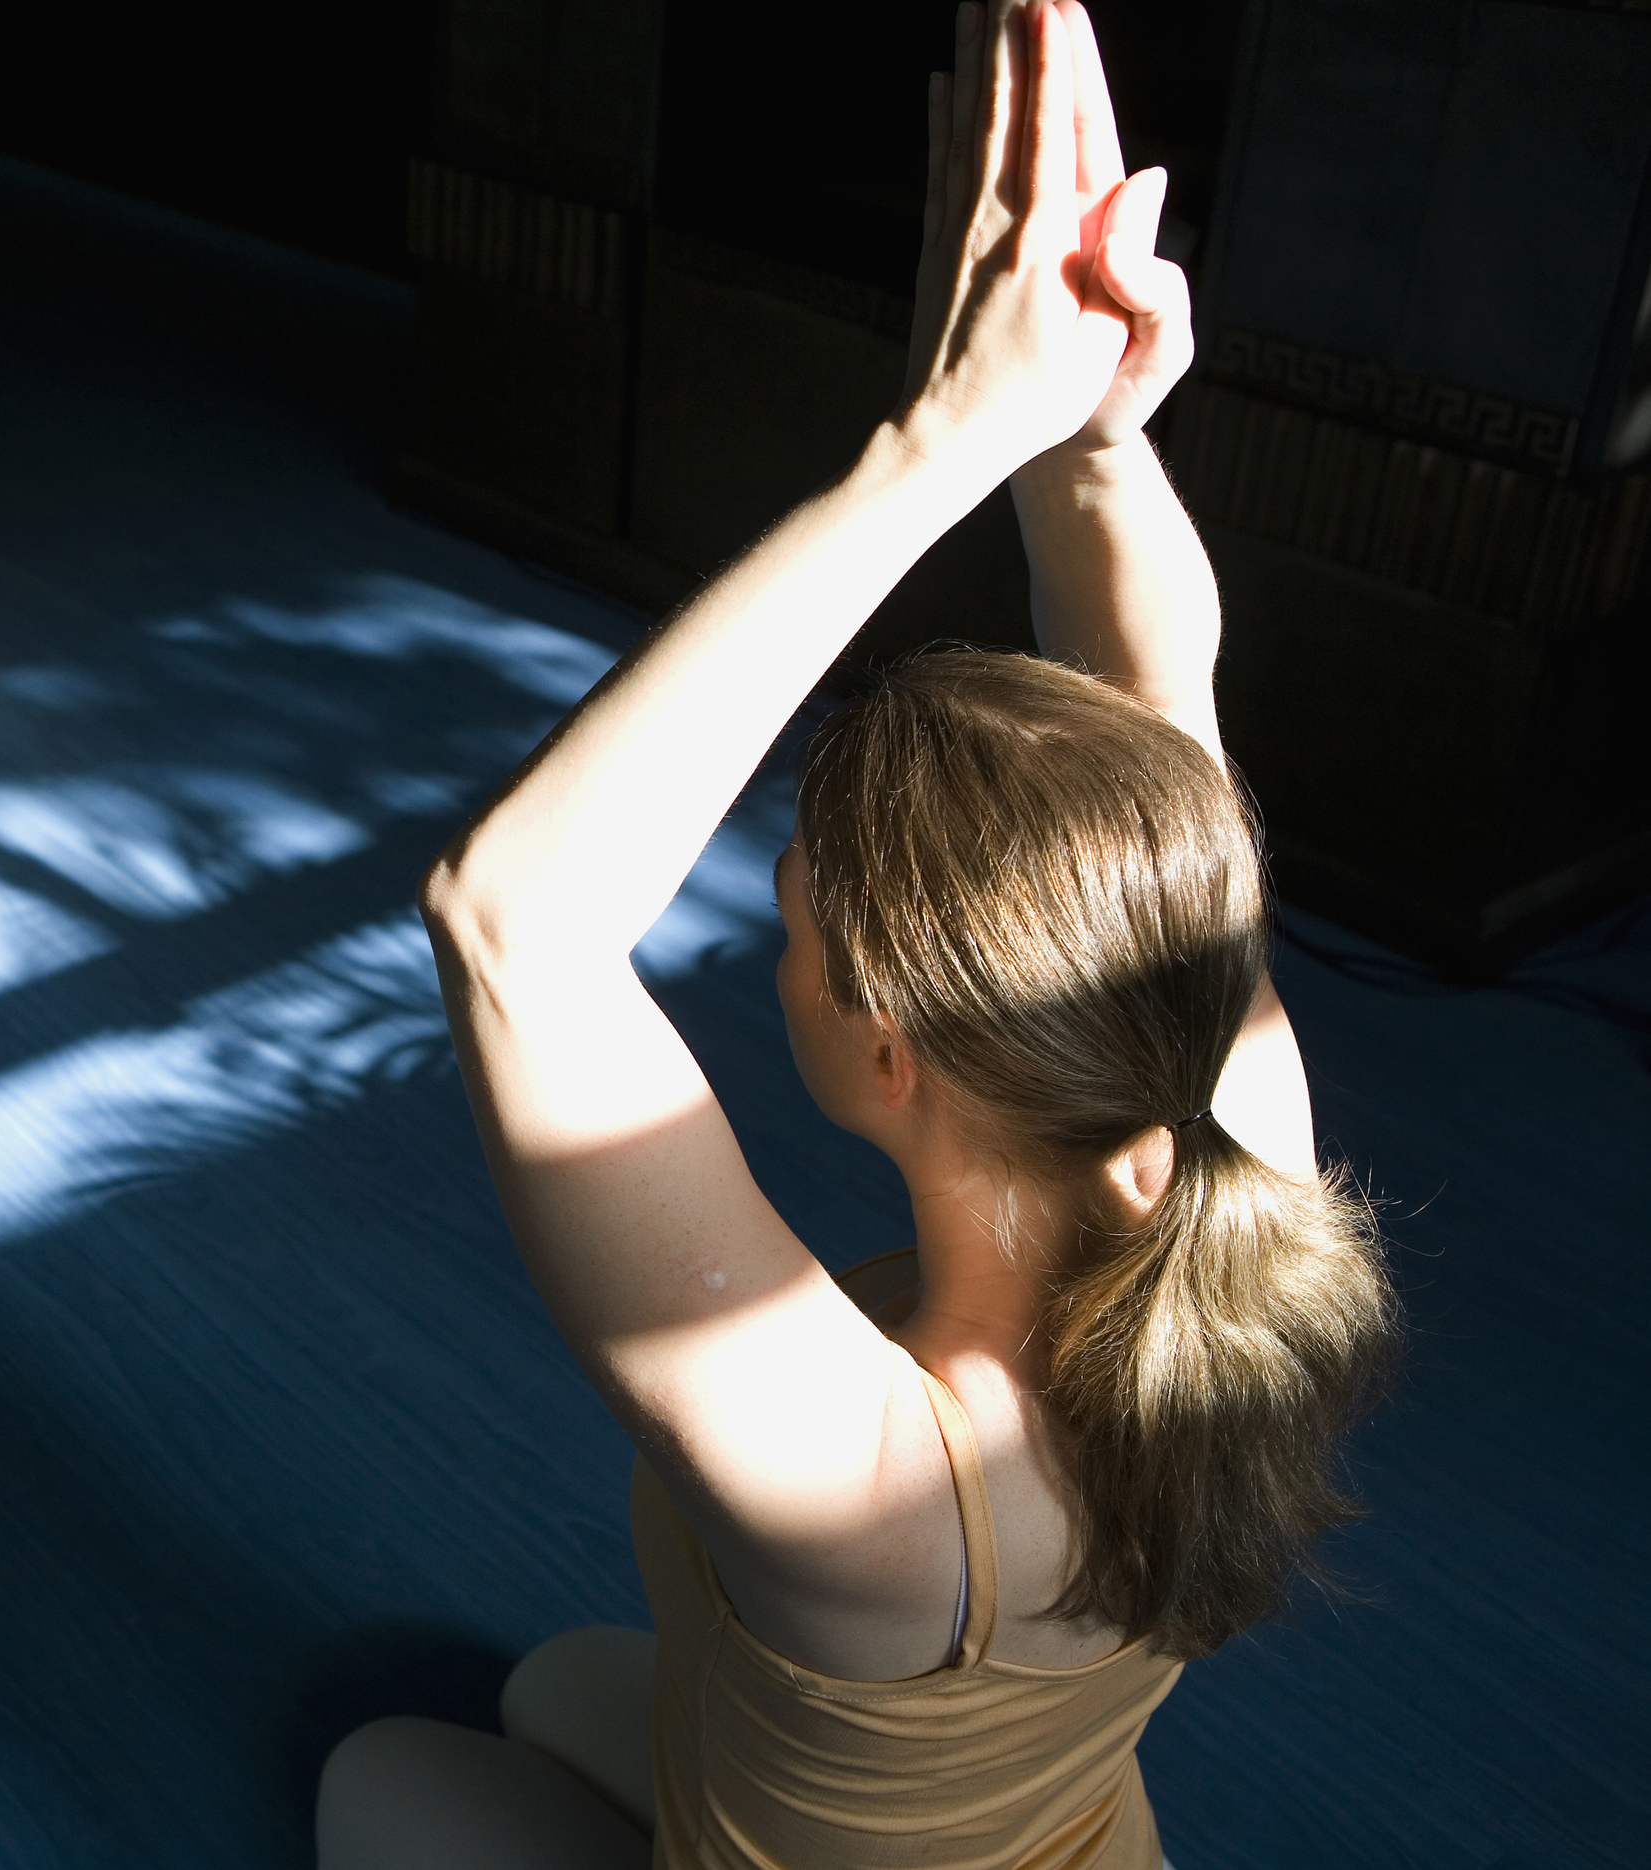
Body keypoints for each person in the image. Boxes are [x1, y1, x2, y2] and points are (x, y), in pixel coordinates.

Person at [317, 4, 1400, 1866]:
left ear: (888, 1046)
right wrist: (1083, 427)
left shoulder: (872, 1488)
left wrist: (934, 438)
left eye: (791, 929)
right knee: (559, 1682)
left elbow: (513, 926)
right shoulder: (1231, 1126)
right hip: (1052, 1830)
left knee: (373, 1774)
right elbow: (1155, 687)